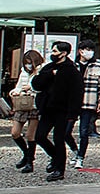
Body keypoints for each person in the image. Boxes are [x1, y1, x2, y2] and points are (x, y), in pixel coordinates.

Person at [33, 42, 83, 181]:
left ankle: (59, 170)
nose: (53, 54)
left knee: (59, 139)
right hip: (47, 109)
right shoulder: (49, 67)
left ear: (64, 53)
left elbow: (77, 93)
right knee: (40, 136)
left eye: (55, 51)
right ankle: (55, 157)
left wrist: (73, 113)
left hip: (63, 110)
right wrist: (50, 74)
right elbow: (36, 84)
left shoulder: (72, 71)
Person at [72, 42, 100, 169]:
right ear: (80, 51)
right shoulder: (72, 65)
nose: (89, 52)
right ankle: (75, 151)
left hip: (89, 102)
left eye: (91, 49)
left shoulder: (97, 66)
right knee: (65, 131)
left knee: (84, 131)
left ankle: (80, 157)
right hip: (72, 103)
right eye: (87, 49)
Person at [9, 50, 43, 173]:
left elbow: (42, 88)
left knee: (30, 135)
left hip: (34, 105)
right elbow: (18, 86)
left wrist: (31, 89)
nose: (28, 65)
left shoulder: (41, 72)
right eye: (26, 63)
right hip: (22, 104)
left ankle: (29, 161)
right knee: (15, 132)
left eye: (30, 63)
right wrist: (15, 91)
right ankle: (26, 153)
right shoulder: (23, 72)